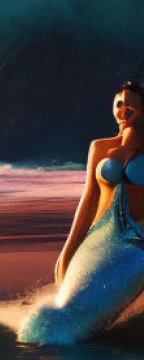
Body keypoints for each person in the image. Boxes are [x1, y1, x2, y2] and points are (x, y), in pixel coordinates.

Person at [18, 81, 144, 344]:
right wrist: (67, 250)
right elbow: (88, 201)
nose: (123, 111)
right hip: (99, 239)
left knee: (84, 314)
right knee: (58, 315)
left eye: (130, 105)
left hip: (137, 247)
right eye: (118, 104)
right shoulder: (99, 147)